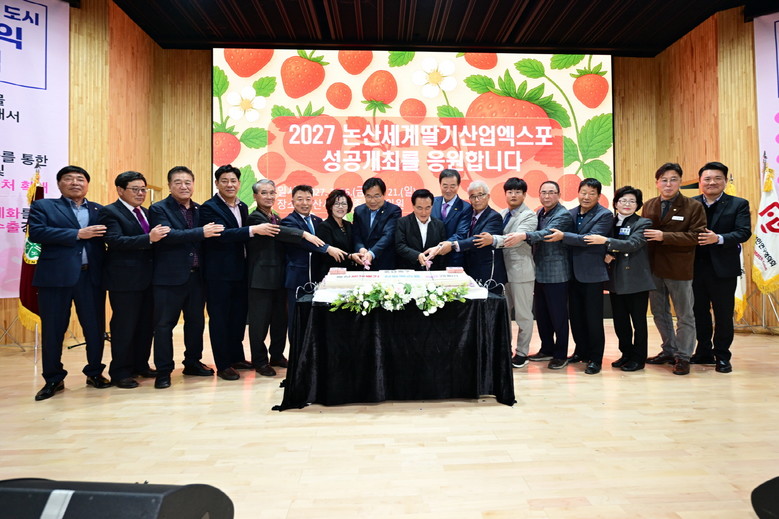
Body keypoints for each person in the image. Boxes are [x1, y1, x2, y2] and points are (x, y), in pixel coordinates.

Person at [29, 165, 109, 401]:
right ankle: (53, 378)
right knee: (53, 330)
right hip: (55, 278)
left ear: (87, 184)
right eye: (69, 179)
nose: (75, 183)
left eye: (80, 179)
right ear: (59, 183)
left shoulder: (99, 210)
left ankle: (94, 372)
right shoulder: (43, 206)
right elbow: (37, 233)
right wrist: (76, 234)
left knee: (94, 329)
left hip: (91, 277)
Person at [148, 166, 224, 389]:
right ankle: (164, 371)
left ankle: (192, 362)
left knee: (196, 323)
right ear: (169, 185)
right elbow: (167, 235)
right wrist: (201, 232)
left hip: (197, 277)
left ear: (193, 184)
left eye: (188, 182)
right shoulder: (158, 208)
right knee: (164, 325)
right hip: (168, 278)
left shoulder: (200, 209)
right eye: (178, 182)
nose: (184, 186)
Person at [199, 164, 270, 381]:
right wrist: (252, 230)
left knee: (238, 317)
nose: (229, 185)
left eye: (233, 181)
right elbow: (221, 234)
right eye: (224, 181)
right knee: (220, 318)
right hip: (218, 273)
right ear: (217, 183)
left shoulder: (242, 206)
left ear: (239, 183)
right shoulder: (209, 207)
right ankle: (223, 364)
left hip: (241, 270)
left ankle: (236, 356)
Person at [247, 179, 324, 377]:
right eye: (264, 193)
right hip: (261, 279)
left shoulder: (275, 216)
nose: (269, 196)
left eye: (272, 193)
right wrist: (304, 234)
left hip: (280, 278)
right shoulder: (255, 218)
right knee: (259, 323)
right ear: (255, 196)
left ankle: (276, 355)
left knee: (279, 321)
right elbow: (278, 232)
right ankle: (260, 361)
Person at [99, 170, 169, 389]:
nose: (140, 193)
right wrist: (148, 238)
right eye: (135, 189)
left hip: (150, 279)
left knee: (146, 325)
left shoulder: (146, 212)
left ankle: (141, 365)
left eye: (143, 189)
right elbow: (115, 240)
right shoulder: (110, 212)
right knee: (124, 327)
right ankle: (120, 371)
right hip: (125, 280)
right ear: (120, 190)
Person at [642, 162, 707, 375]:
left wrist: (665, 236)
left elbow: (697, 236)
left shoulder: (693, 206)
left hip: (680, 268)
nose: (668, 184)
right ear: (657, 183)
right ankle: (669, 350)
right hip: (653, 268)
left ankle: (683, 356)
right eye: (664, 180)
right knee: (659, 313)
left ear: (680, 182)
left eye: (673, 180)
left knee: (684, 314)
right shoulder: (649, 205)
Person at [503, 180, 574, 369]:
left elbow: (547, 233)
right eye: (544, 192)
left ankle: (560, 354)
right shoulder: (540, 212)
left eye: (551, 192)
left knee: (558, 316)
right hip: (538, 270)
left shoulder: (562, 214)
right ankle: (547, 348)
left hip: (556, 272)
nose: (547, 196)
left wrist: (524, 236)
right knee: (542, 315)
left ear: (559, 195)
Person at [544, 178, 612, 374]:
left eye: (591, 193)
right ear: (578, 193)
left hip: (592, 274)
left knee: (593, 319)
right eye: (583, 192)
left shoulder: (604, 215)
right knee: (576, 317)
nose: (586, 197)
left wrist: (564, 236)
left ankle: (595, 359)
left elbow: (590, 239)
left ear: (598, 196)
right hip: (571, 273)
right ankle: (581, 351)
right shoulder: (571, 213)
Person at [585, 186, 655, 372]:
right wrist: (606, 252)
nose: (627, 204)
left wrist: (607, 243)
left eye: (632, 201)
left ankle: (638, 358)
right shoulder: (610, 221)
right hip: (615, 280)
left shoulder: (643, 223)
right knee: (620, 321)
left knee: (638, 322)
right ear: (616, 203)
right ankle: (626, 353)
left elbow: (632, 244)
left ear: (638, 205)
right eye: (623, 200)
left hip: (636, 280)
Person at [691, 162, 751, 373]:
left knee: (723, 314)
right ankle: (703, 351)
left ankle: (723, 356)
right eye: (707, 179)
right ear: (700, 182)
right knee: (699, 312)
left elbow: (743, 232)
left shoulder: (738, 204)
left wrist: (718, 238)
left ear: (725, 181)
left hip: (723, 269)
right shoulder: (691, 204)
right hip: (694, 268)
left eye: (717, 178)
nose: (712, 182)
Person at [480, 177, 537, 368]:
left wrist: (492, 240)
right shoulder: (503, 213)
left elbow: (515, 239)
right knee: (504, 314)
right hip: (503, 273)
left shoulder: (528, 216)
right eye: (510, 192)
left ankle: (522, 353)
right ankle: (505, 349)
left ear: (524, 194)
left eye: (517, 192)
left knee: (523, 315)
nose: (513, 195)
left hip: (521, 272)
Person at [281, 184, 347, 348]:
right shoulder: (289, 221)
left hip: (317, 278)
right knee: (296, 320)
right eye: (300, 199)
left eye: (308, 199)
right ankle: (297, 356)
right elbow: (305, 243)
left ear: (313, 201)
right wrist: (327, 248)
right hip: (297, 279)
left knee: (313, 320)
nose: (304, 203)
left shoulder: (318, 221)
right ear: (292, 201)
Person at [437, 181, 506, 289]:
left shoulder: (494, 217)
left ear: (488, 196)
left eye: (480, 195)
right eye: (473, 196)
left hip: (487, 273)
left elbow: (478, 240)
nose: (477, 200)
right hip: (468, 269)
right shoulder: (467, 214)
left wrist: (453, 245)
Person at [353, 177, 402, 270]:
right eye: (369, 196)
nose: (372, 201)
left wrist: (372, 253)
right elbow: (356, 235)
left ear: (384, 194)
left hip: (384, 262)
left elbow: (388, 235)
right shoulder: (358, 211)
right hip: (362, 261)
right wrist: (361, 248)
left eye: (377, 196)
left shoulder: (393, 210)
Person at [395, 188, 449, 270]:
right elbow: (400, 246)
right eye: (419, 208)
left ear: (432, 206)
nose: (424, 212)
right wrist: (417, 255)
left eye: (427, 208)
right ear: (413, 206)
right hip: (409, 270)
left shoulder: (439, 225)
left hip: (432, 271)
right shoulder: (403, 222)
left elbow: (442, 247)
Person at [315, 189, 364, 278]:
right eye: (336, 204)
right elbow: (326, 255)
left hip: (350, 273)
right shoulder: (324, 226)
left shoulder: (348, 225)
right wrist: (350, 256)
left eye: (344, 204)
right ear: (330, 206)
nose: (340, 207)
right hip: (331, 274)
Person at [431, 169, 472, 267]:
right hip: (432, 257)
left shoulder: (465, 207)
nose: (448, 190)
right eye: (445, 186)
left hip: (453, 258)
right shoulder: (431, 202)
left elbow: (461, 233)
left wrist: (443, 245)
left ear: (458, 186)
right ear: (440, 185)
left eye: (452, 186)